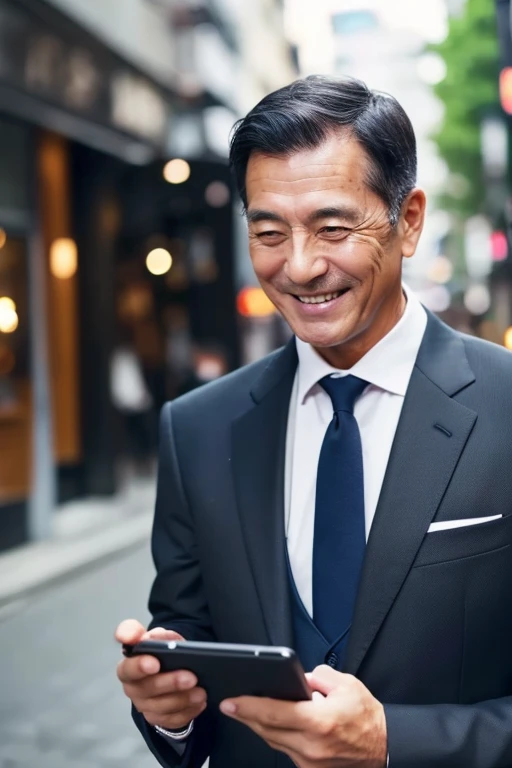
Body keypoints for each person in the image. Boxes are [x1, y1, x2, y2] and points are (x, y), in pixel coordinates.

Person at [115, 76, 512, 768]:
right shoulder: (197, 430)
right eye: (269, 233)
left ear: (409, 220)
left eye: (333, 227)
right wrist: (170, 708)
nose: (299, 267)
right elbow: (188, 637)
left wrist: (395, 742)